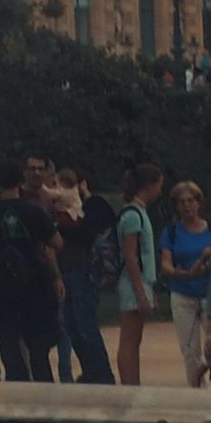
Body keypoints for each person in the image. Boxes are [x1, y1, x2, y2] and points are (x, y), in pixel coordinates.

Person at [0, 159, 63, 381]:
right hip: (35, 282)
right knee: (38, 345)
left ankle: (17, 385)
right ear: (20, 181)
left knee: (8, 342)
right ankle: (43, 388)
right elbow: (57, 243)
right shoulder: (34, 211)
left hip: (3, 282)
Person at [56, 163, 118, 385]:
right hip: (69, 270)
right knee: (72, 325)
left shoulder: (95, 205)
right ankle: (91, 369)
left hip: (85, 271)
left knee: (85, 325)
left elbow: (88, 234)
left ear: (81, 185)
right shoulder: (65, 210)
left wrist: (67, 219)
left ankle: (102, 372)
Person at [160, 178, 211, 387]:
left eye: (190, 201)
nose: (186, 206)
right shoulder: (172, 231)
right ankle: (196, 389)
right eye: (181, 202)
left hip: (210, 294)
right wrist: (177, 273)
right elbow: (166, 262)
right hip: (183, 293)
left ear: (198, 203)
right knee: (190, 349)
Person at [115, 161, 165, 383]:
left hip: (141, 282)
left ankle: (134, 382)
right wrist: (140, 292)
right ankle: (129, 383)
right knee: (129, 339)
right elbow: (131, 256)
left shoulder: (140, 212)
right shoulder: (133, 215)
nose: (159, 191)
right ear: (149, 186)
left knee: (135, 339)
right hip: (132, 283)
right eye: (158, 186)